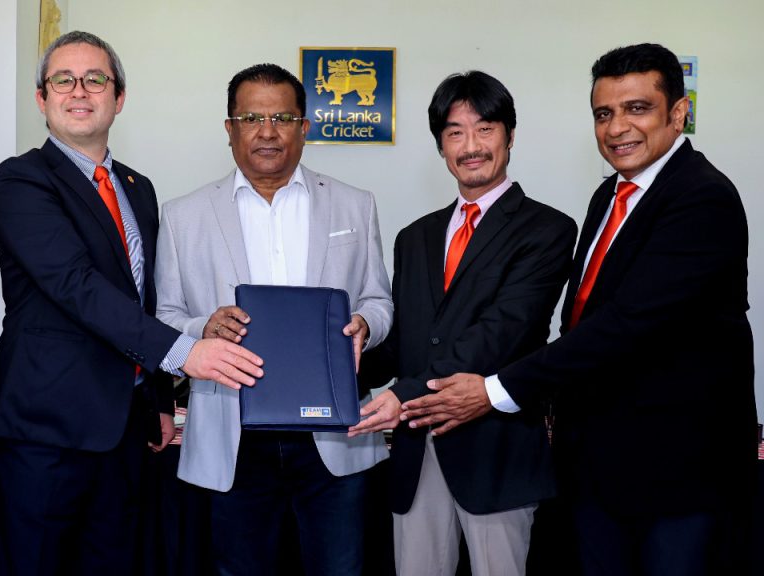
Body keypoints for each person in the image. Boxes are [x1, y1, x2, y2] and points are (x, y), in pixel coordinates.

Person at [410, 43, 756, 575]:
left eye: (637, 108)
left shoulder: (701, 197)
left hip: (677, 471)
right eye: (603, 113)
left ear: (678, 112)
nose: (617, 128)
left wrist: (495, 389)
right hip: (598, 463)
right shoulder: (610, 196)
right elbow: (582, 320)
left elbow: (626, 326)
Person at [0, 31, 263, 575]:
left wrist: (158, 396)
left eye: (95, 79)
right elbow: (75, 284)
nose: (79, 90)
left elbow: (144, 298)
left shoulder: (137, 187)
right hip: (48, 431)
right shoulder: (21, 180)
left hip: (125, 428)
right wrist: (185, 353)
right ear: (41, 98)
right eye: (63, 80)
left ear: (119, 97)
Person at [155, 63, 394, 576]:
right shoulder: (182, 216)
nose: (267, 131)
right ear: (229, 129)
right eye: (251, 119)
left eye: (282, 118)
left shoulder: (355, 205)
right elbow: (165, 318)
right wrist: (202, 329)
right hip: (232, 435)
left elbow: (379, 299)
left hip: (334, 435)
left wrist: (366, 324)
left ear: (304, 126)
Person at [350, 71, 576, 576]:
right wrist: (343, 358)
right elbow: (405, 342)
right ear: (440, 146)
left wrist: (404, 393)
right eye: (455, 132)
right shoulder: (415, 237)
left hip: (494, 452)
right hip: (416, 450)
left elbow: (504, 332)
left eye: (485, 129)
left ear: (510, 136)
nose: (471, 146)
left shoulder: (548, 229)